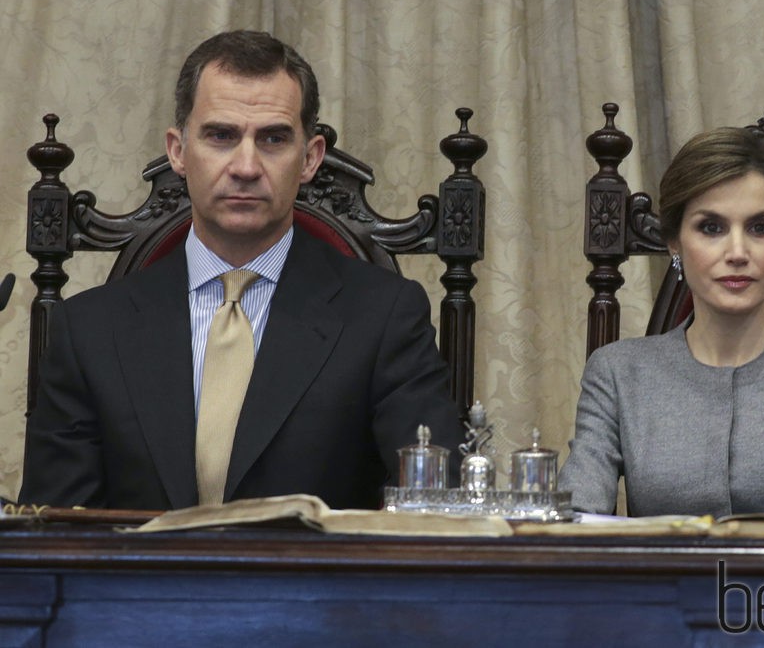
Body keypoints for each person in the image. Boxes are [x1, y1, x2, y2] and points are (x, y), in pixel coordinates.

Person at [19, 30, 463, 511]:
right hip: (143, 586)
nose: (246, 166)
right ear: (178, 151)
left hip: (318, 585)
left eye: (273, 138)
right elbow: (53, 534)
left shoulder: (385, 317)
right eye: (221, 136)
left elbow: (433, 508)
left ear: (310, 158)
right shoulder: (89, 331)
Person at [558, 127, 764, 521]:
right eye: (711, 228)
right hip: (659, 583)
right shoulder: (617, 373)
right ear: (674, 243)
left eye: (760, 228)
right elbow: (572, 526)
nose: (738, 252)